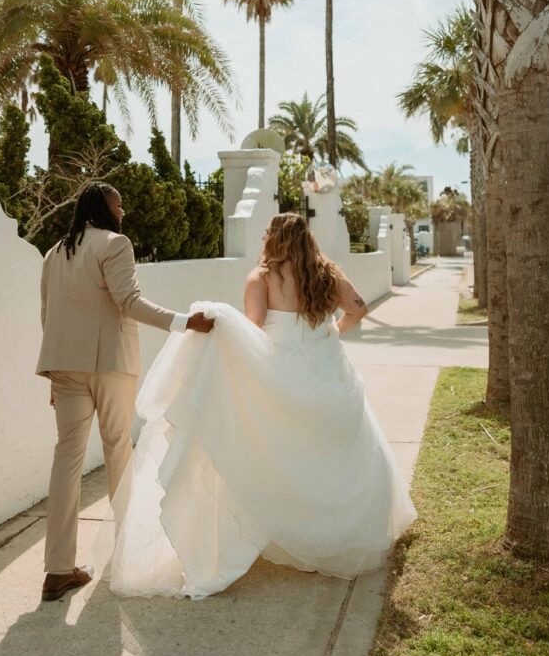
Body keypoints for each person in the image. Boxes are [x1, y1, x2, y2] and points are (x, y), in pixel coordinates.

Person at [97, 212, 417, 599]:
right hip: (326, 368)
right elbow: (359, 308)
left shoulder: (262, 278)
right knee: (328, 451)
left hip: (280, 371)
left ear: (274, 240)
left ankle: (282, 524)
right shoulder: (328, 274)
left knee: (277, 452)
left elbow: (251, 331)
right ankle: (331, 532)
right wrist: (331, 332)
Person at [36, 181, 213, 602]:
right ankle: (127, 551)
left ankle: (57, 570)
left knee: (66, 460)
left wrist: (56, 374)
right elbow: (128, 301)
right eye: (119, 204)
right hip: (110, 365)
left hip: (65, 367)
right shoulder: (116, 244)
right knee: (118, 448)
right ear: (103, 207)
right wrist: (184, 321)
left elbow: (48, 313)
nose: (123, 211)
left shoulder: (53, 253)